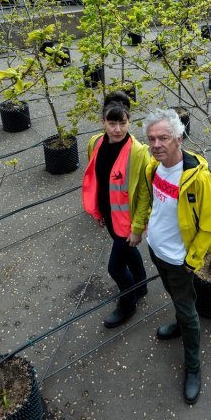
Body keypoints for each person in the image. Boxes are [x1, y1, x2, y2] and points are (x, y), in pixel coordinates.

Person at [143, 108, 211, 405]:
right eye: (151, 139)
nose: (156, 144)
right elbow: (154, 203)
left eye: (163, 138)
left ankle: (193, 367)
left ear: (178, 137)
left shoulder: (198, 179)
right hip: (156, 249)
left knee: (188, 312)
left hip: (179, 261)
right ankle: (178, 321)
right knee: (176, 299)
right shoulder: (154, 167)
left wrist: (192, 261)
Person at [82, 91, 151, 328]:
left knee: (115, 267)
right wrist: (98, 212)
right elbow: (97, 181)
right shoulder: (96, 143)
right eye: (112, 123)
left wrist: (138, 228)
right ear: (103, 123)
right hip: (109, 216)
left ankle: (128, 304)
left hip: (127, 222)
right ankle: (140, 285)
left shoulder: (138, 152)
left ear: (129, 121)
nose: (118, 129)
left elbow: (143, 193)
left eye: (122, 123)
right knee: (129, 254)